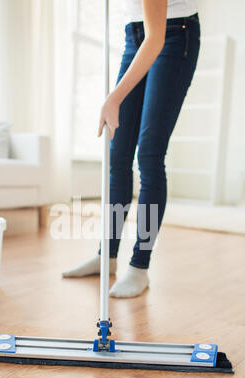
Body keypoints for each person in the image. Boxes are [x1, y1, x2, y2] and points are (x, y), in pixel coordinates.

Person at [63, 0, 200, 298]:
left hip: (173, 35)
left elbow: (156, 38)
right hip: (135, 36)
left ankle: (139, 267)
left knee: (149, 156)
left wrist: (114, 97)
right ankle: (107, 255)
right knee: (118, 156)